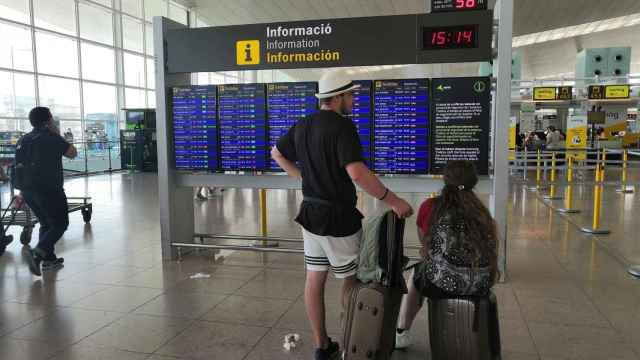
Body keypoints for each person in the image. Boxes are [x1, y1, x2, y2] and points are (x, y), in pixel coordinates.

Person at [272, 70, 413, 360]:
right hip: (338, 220)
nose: (353, 100)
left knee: (315, 280)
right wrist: (393, 200)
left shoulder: (303, 124)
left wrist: (304, 178)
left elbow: (277, 153)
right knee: (352, 282)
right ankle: (353, 345)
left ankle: (323, 347)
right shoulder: (342, 127)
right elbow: (357, 173)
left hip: (309, 216)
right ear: (337, 97)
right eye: (350, 95)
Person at [395, 160, 498, 349]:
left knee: (418, 274)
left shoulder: (431, 207)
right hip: (481, 285)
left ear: (445, 179)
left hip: (442, 286)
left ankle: (402, 331)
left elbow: (425, 248)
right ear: (474, 182)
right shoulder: (482, 213)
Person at [17, 107, 78, 276]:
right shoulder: (51, 138)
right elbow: (73, 153)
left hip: (28, 191)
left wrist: (22, 193)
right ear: (48, 120)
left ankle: (49, 260)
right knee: (60, 224)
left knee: (46, 223)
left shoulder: (24, 139)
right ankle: (37, 254)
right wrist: (57, 134)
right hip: (49, 189)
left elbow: (20, 168)